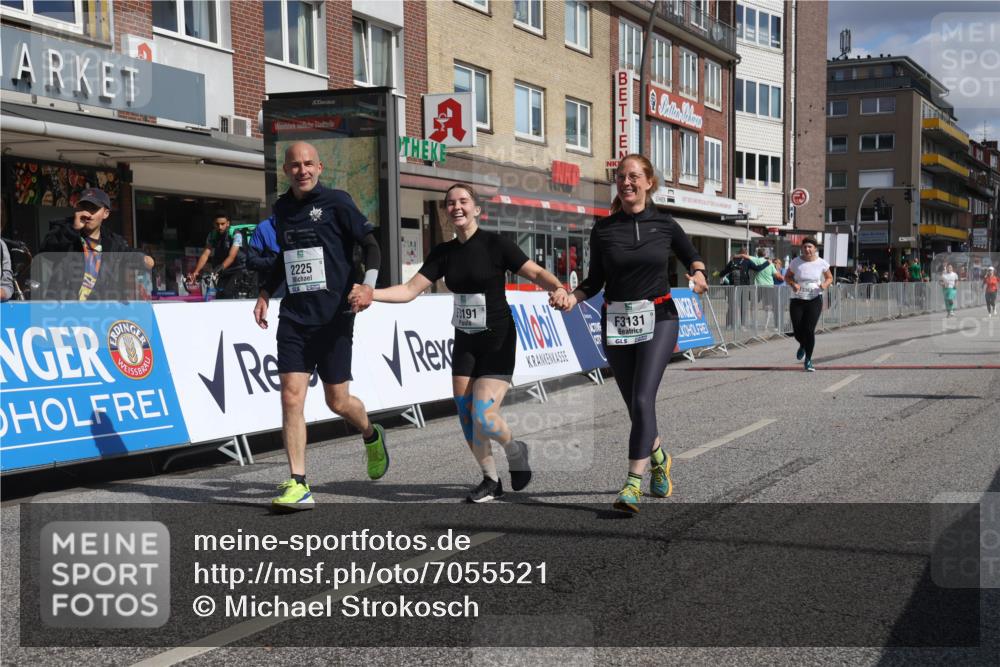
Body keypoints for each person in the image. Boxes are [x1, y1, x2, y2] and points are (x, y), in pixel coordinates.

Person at [365, 183, 565, 503]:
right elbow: (408, 290)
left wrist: (558, 287)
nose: (457, 207)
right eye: (450, 203)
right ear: (446, 211)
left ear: (476, 209)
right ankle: (490, 479)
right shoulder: (444, 253)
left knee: (484, 415)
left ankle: (515, 450)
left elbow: (535, 272)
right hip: (465, 339)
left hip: (497, 339)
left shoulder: (496, 245)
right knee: (465, 412)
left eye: (463, 201)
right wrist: (370, 294)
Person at [551, 154, 709, 514]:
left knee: (642, 400)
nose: (626, 182)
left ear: (649, 182)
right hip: (617, 323)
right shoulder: (604, 229)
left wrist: (699, 275)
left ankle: (631, 484)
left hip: (660, 317)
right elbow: (594, 282)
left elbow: (693, 258)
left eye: (634, 176)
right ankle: (659, 459)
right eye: (621, 176)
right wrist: (570, 298)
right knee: (636, 408)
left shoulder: (666, 224)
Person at [254, 141, 387, 512]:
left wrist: (369, 286)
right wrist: (265, 291)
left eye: (309, 163)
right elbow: (286, 257)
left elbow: (372, 246)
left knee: (337, 401)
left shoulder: (338, 202)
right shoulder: (281, 208)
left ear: (321, 166)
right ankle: (298, 482)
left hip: (334, 318)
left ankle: (370, 433)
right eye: (295, 165)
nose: (302, 170)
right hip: (295, 318)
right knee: (291, 396)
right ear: (285, 171)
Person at [40, 187, 154, 301]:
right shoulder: (64, 231)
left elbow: (127, 254)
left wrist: (143, 259)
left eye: (93, 209)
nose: (88, 214)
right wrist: (72, 230)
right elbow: (46, 252)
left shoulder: (112, 242)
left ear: (105, 213)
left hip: (97, 311)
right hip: (63, 309)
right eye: (84, 207)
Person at [784, 238, 833, 372]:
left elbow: (830, 277)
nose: (807, 249)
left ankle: (808, 360)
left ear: (815, 248)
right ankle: (803, 345)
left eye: (810, 247)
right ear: (802, 248)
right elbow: (787, 277)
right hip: (797, 299)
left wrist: (824, 285)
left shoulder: (821, 262)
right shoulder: (796, 262)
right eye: (805, 247)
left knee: (809, 330)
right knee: (797, 330)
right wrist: (793, 284)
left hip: (814, 299)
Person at [188, 212, 248, 299]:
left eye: (222, 224)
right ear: (213, 224)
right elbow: (205, 254)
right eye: (217, 224)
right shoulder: (212, 235)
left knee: (228, 293)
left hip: (237, 269)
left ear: (228, 223)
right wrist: (196, 272)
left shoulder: (236, 235)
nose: (220, 227)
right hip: (224, 271)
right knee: (220, 296)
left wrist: (219, 268)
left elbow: (232, 257)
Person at [247, 215, 285, 297]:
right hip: (271, 293)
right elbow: (251, 261)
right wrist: (275, 262)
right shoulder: (263, 228)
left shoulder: (301, 225)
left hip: (300, 293)